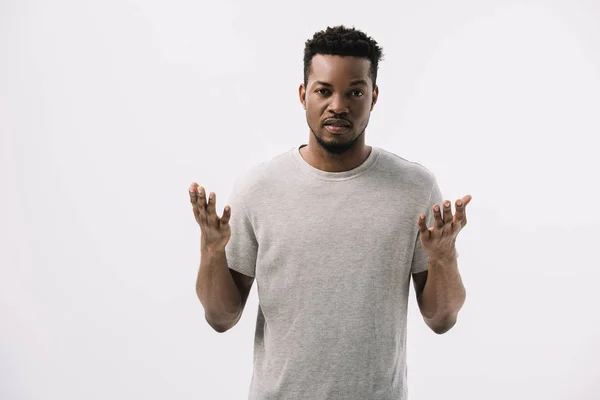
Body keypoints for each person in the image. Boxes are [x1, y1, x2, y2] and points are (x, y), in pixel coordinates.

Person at [190, 25, 471, 400]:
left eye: (355, 91)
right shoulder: (259, 188)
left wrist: (443, 257)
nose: (338, 105)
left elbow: (442, 319)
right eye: (324, 91)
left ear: (373, 97)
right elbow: (221, 318)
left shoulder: (414, 189)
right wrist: (211, 251)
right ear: (304, 95)